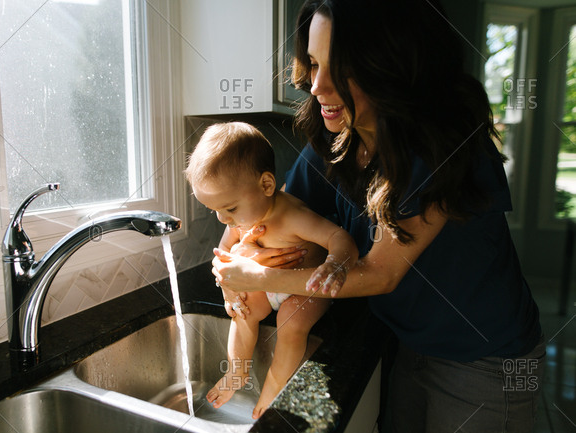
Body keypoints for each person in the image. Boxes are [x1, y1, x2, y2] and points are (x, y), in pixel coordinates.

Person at [211, 1, 545, 432]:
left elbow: (379, 273)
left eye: (343, 69)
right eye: (313, 64)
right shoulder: (332, 144)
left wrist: (256, 278)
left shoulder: (443, 145)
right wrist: (232, 278)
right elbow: (267, 219)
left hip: (488, 360)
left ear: (393, 67)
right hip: (407, 343)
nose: (316, 86)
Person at [185, 121, 358, 419]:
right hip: (267, 286)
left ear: (266, 185)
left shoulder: (293, 215)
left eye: (230, 208)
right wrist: (229, 286)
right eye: (215, 211)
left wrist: (334, 264)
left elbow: (340, 238)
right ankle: (236, 373)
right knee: (242, 311)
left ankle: (272, 392)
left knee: (291, 322)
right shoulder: (241, 218)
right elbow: (224, 254)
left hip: (306, 288)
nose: (224, 220)